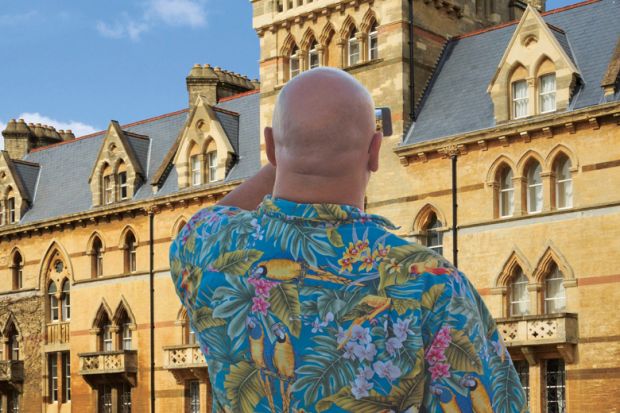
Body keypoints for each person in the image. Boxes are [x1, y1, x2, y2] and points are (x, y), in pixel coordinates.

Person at [169, 67, 527, 413]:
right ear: (374, 151)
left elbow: (209, 217)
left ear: (270, 148)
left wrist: (292, 143)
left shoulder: (208, 249)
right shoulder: (434, 285)